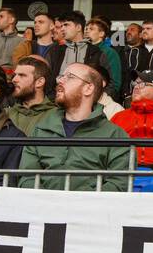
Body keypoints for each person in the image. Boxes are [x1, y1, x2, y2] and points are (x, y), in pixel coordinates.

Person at [19, 61, 131, 192]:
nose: (60, 81)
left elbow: (118, 184)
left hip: (90, 210)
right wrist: (49, 202)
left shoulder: (115, 135)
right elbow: (27, 177)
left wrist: (78, 203)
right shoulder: (42, 129)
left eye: (70, 77)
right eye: (61, 76)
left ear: (88, 88)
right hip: (43, 208)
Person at [6, 57, 55, 133]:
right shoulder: (6, 115)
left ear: (39, 82)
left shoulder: (57, 115)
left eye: (22, 75)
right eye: (15, 75)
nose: (14, 80)